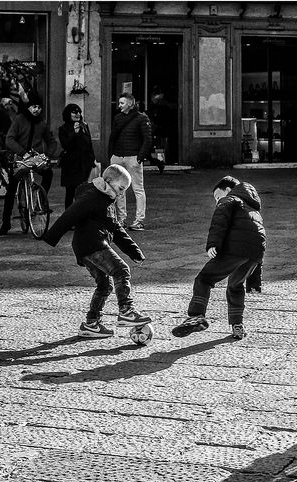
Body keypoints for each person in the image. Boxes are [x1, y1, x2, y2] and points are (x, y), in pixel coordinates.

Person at [41, 164, 153, 337]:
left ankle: (91, 324)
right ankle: (126, 311)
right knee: (121, 270)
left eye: (125, 190)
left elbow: (115, 229)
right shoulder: (92, 196)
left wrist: (134, 252)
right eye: (121, 188)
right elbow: (70, 214)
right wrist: (51, 236)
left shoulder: (107, 199)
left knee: (104, 285)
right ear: (108, 181)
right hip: (92, 245)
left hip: (87, 247)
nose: (122, 193)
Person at [171, 176, 265, 340]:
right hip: (254, 254)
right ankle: (238, 325)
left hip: (235, 249)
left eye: (217, 197)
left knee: (204, 279)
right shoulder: (254, 210)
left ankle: (197, 315)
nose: (216, 201)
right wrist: (254, 281)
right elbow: (258, 240)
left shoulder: (229, 199)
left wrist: (213, 244)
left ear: (227, 190)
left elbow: (219, 222)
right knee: (236, 285)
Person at [0, 91, 58, 235]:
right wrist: (22, 152)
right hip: (20, 158)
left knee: (48, 173)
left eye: (39, 107)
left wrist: (47, 154)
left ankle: (41, 200)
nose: (36, 110)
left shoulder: (42, 124)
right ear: (28, 107)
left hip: (35, 158)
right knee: (11, 189)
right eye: (33, 107)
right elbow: (9, 139)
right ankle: (5, 222)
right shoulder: (19, 120)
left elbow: (51, 141)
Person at [108, 92, 154, 230]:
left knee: (137, 189)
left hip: (133, 157)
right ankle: (121, 220)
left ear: (130, 104)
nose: (119, 105)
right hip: (118, 156)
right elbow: (112, 137)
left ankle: (139, 220)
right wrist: (111, 155)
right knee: (118, 189)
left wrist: (140, 157)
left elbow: (148, 139)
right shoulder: (117, 118)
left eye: (122, 103)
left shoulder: (141, 118)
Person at [57, 103, 97, 208]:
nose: (78, 114)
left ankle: (81, 215)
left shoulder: (84, 125)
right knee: (70, 192)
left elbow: (89, 143)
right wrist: (75, 133)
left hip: (84, 163)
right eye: (74, 112)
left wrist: (93, 159)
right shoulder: (63, 129)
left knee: (83, 192)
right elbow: (66, 145)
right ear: (68, 114)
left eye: (79, 112)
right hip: (71, 164)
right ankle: (69, 216)